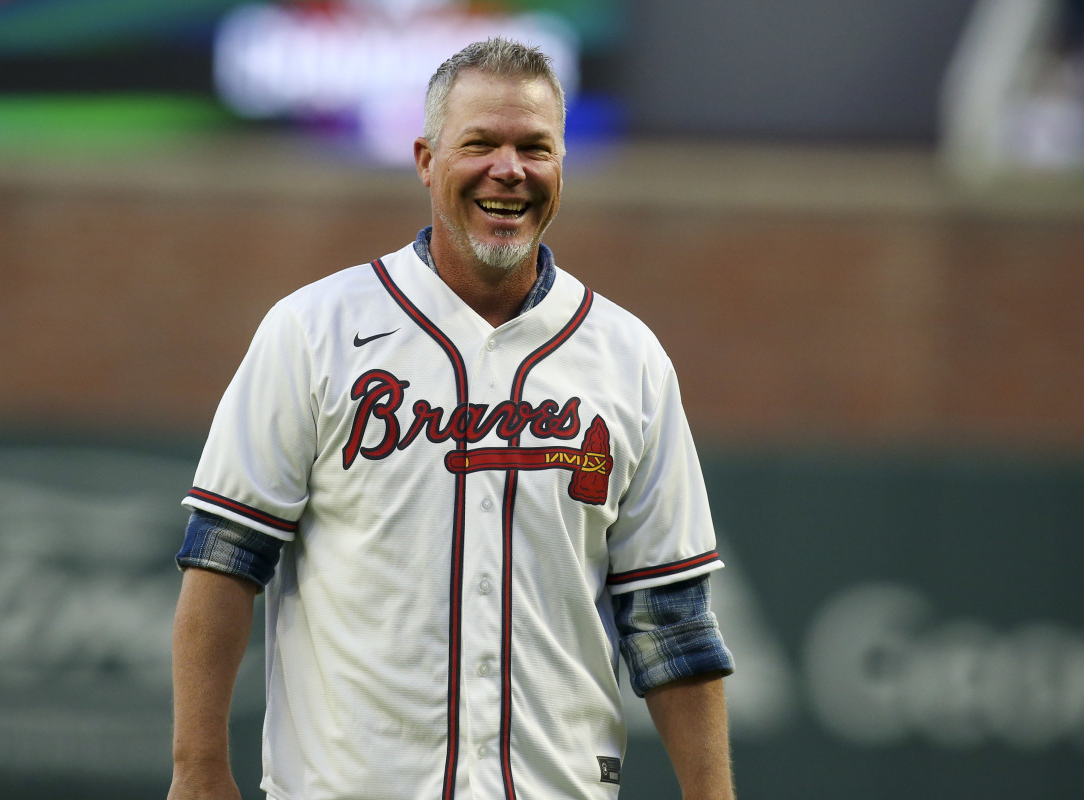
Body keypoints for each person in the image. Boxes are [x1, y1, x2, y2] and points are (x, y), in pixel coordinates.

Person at [168, 38, 735, 800]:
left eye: (535, 147)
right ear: (427, 159)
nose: (510, 170)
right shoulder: (313, 330)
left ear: (562, 166)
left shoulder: (628, 357)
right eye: (481, 144)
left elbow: (670, 617)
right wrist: (198, 772)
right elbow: (224, 559)